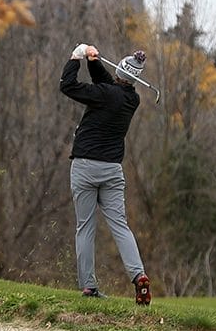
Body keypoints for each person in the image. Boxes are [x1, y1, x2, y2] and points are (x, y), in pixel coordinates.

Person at [60, 43, 151, 305]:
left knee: (85, 227)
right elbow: (109, 86)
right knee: (120, 226)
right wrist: (94, 61)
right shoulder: (132, 99)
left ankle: (89, 286)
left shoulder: (103, 93)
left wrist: (75, 58)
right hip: (112, 170)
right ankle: (139, 275)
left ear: (120, 72)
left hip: (85, 168)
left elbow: (67, 85)